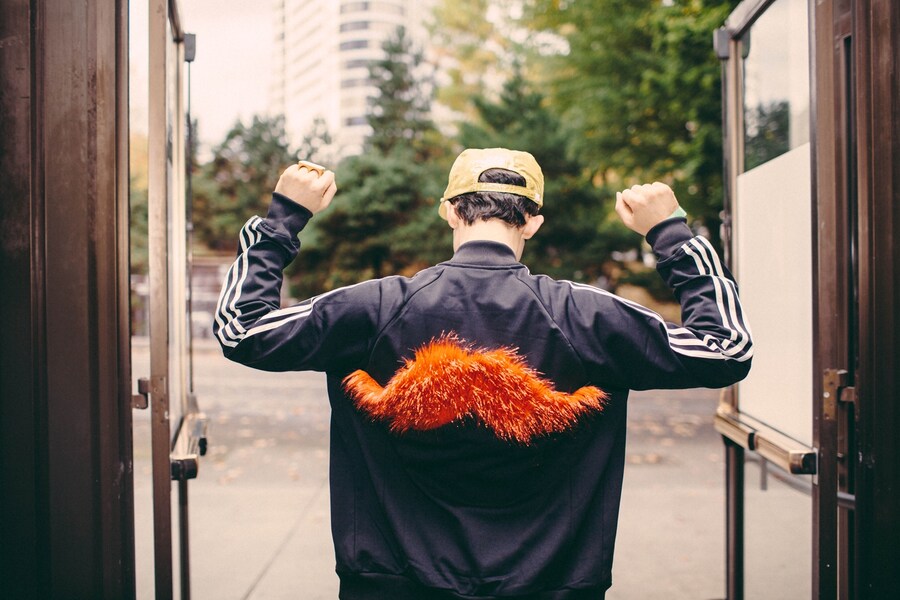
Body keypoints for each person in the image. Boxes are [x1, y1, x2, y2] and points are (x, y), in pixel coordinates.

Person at [214, 148, 752, 599]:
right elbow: (726, 348)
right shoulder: (586, 315)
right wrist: (669, 231)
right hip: (553, 585)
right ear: (534, 221)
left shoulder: (374, 309)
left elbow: (241, 328)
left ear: (450, 212)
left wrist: (284, 217)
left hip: (391, 584)